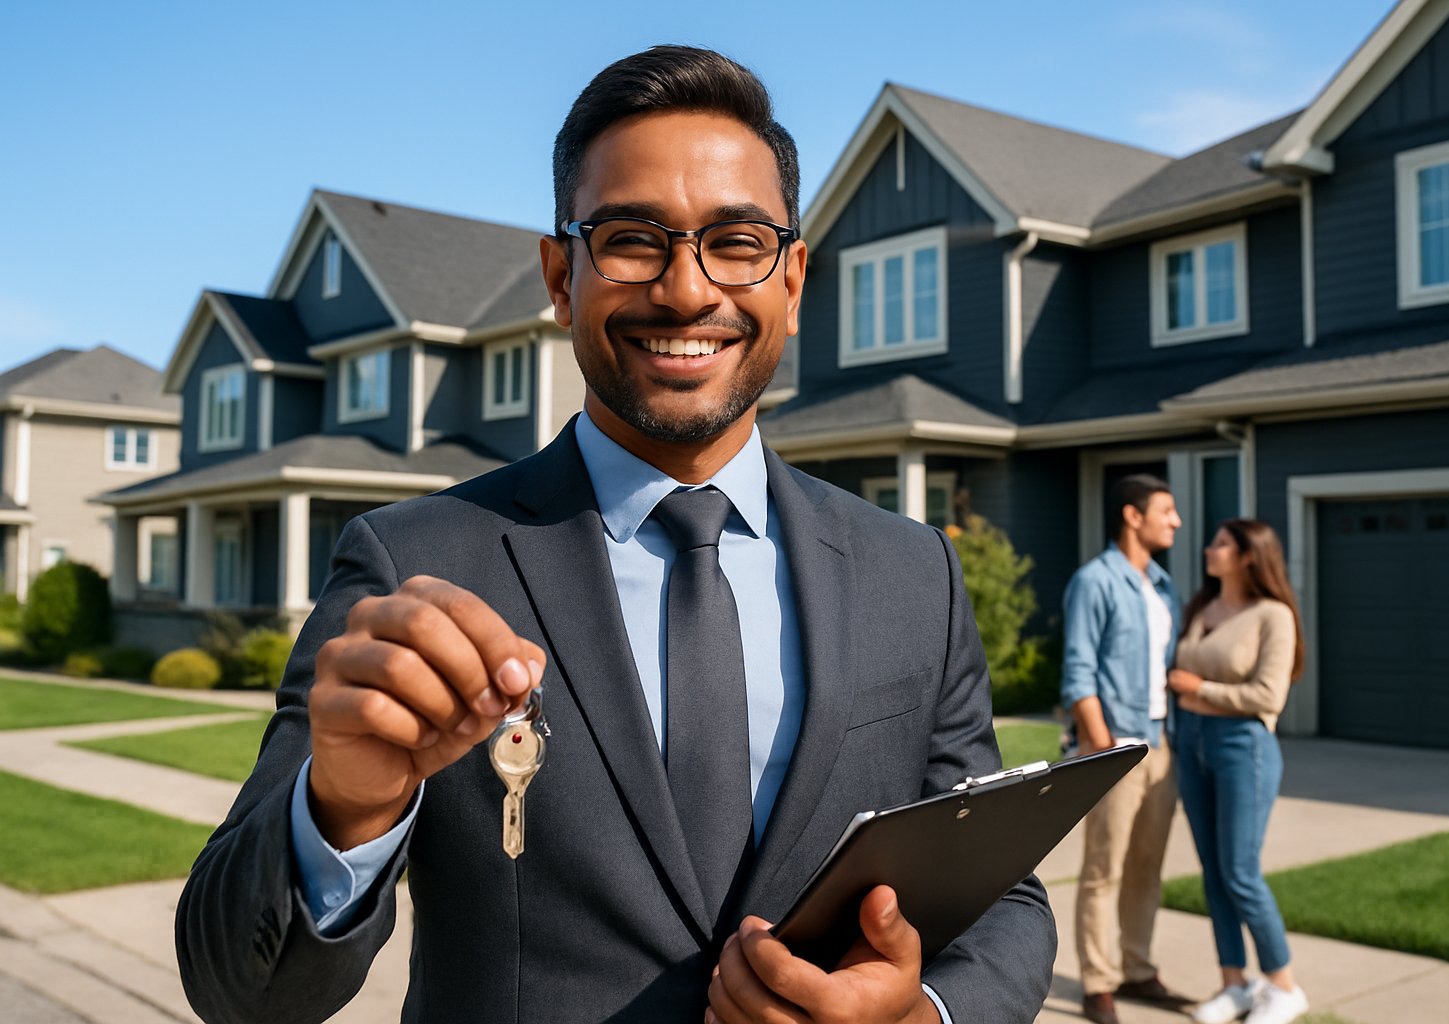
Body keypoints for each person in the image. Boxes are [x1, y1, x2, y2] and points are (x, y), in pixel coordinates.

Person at [175, 46, 1055, 1024]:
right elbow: (237, 989)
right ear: (560, 276)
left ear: (794, 278)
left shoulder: (914, 573)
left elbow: (1003, 896)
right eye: (634, 237)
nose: (686, 290)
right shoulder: (412, 564)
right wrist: (343, 809)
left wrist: (920, 1013)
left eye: (736, 241)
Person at [1060, 474, 1192, 1024]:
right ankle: (1099, 983)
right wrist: (1103, 748)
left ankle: (1137, 969)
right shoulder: (1095, 581)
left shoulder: (1162, 587)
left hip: (1163, 743)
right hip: (1118, 747)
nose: (1176, 521)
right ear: (1133, 517)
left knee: (1147, 866)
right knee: (1103, 869)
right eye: (1167, 510)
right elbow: (1078, 672)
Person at [1167, 519, 1308, 1024]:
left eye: (1221, 543)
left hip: (1242, 748)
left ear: (1250, 555)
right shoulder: (1201, 607)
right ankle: (1235, 983)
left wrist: (1199, 688)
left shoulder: (1274, 615)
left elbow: (1269, 697)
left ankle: (1285, 986)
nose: (1210, 549)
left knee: (1240, 872)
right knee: (1213, 874)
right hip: (1192, 745)